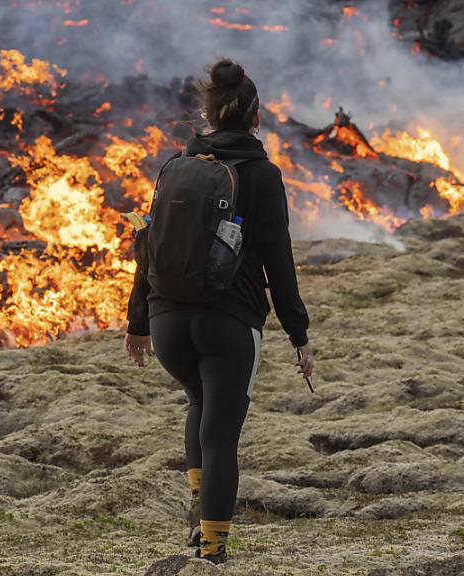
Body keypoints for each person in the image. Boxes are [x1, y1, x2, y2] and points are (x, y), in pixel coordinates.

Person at [124, 58, 313, 565]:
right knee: (222, 432)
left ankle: (196, 506)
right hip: (228, 324)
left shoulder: (177, 167)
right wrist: (299, 332)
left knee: (199, 404)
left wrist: (138, 323)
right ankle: (210, 552)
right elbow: (278, 258)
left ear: (206, 114)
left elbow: (149, 245)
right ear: (256, 118)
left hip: (168, 324)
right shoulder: (262, 174)